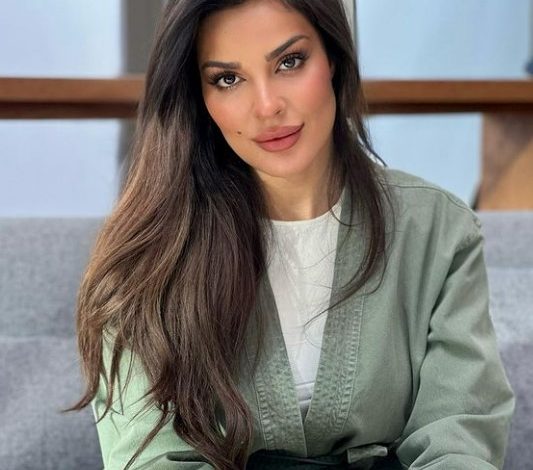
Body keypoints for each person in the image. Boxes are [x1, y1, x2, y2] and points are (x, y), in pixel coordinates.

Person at [70, 0, 515, 468]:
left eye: (289, 62)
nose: (267, 106)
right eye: (228, 78)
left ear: (334, 59)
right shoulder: (146, 257)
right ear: (199, 96)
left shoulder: (438, 230)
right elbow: (152, 460)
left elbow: (459, 437)